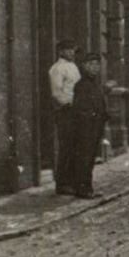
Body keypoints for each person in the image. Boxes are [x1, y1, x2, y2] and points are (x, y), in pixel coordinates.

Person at [71, 52, 108, 199]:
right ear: (84, 66)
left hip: (95, 127)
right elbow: (79, 109)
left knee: (90, 158)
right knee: (84, 158)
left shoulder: (95, 84)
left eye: (97, 65)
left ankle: (88, 187)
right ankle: (82, 189)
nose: (95, 68)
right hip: (85, 128)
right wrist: (91, 117)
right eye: (91, 65)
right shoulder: (81, 85)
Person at [48, 39, 81, 195]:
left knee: (75, 146)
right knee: (66, 147)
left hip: (76, 110)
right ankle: (62, 183)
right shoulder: (57, 69)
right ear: (61, 51)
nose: (72, 52)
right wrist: (68, 106)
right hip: (65, 111)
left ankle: (73, 181)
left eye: (73, 50)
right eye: (68, 50)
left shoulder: (73, 67)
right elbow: (56, 93)